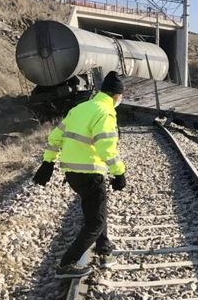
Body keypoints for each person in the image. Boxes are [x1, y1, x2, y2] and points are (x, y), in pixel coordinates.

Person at [32, 71, 127, 278]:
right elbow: (106, 148)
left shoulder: (80, 108)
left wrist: (48, 162)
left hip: (72, 173)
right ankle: (67, 264)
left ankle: (104, 251)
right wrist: (119, 172)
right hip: (90, 172)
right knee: (96, 222)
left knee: (96, 212)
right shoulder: (106, 112)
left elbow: (56, 136)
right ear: (117, 95)